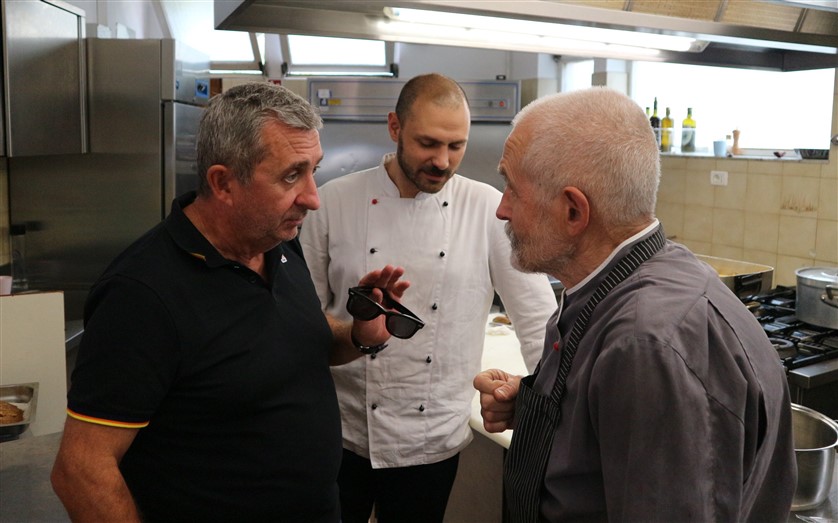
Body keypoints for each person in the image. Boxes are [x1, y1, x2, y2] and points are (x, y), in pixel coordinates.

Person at [50, 82, 411, 523]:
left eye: (313, 170)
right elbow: (81, 471)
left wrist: (359, 335)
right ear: (223, 183)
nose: (313, 198)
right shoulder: (142, 294)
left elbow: (300, 338)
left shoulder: (277, 242)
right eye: (291, 175)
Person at [473, 87, 797, 522]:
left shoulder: (645, 344)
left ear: (573, 211)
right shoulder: (617, 283)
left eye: (512, 189)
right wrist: (545, 407)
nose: (502, 209)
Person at [299, 73, 557, 523]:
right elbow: (303, 319)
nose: (442, 160)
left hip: (431, 436)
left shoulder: (488, 209)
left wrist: (552, 413)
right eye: (428, 143)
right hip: (341, 430)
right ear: (394, 127)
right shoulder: (332, 204)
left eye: (456, 146)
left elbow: (539, 321)